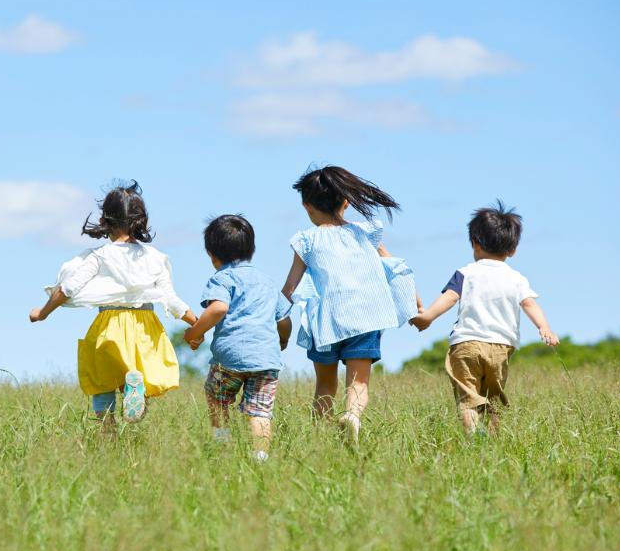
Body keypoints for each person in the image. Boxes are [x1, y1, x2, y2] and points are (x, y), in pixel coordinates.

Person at [29, 181, 197, 432]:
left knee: (102, 381)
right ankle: (135, 388)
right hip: (145, 328)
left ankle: (107, 433)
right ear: (140, 220)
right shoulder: (155, 258)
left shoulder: (100, 256)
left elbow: (68, 288)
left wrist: (42, 312)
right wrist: (197, 324)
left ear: (105, 219)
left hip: (110, 325)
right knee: (141, 379)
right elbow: (171, 299)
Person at [281, 164, 420, 443]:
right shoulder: (365, 233)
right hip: (365, 317)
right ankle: (352, 417)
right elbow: (395, 267)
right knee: (358, 382)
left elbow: (290, 288)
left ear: (307, 206)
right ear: (346, 201)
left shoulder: (307, 240)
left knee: (324, 385)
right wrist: (415, 302)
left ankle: (320, 439)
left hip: (325, 323)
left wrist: (276, 319)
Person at [410, 201, 558, 433]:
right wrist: (544, 327)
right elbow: (529, 303)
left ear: (475, 243)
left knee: (468, 398)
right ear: (512, 249)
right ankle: (493, 440)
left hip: (466, 344)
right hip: (501, 347)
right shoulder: (517, 278)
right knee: (493, 398)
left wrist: (427, 317)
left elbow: (449, 298)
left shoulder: (466, 273)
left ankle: (472, 438)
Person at [184, 215, 292, 462]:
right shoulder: (267, 282)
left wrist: (193, 332)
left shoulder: (222, 278)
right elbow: (284, 320)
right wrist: (282, 340)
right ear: (251, 250)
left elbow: (218, 309)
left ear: (212, 254)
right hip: (266, 359)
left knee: (217, 399)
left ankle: (222, 446)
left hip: (229, 358)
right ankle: (260, 457)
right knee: (260, 412)